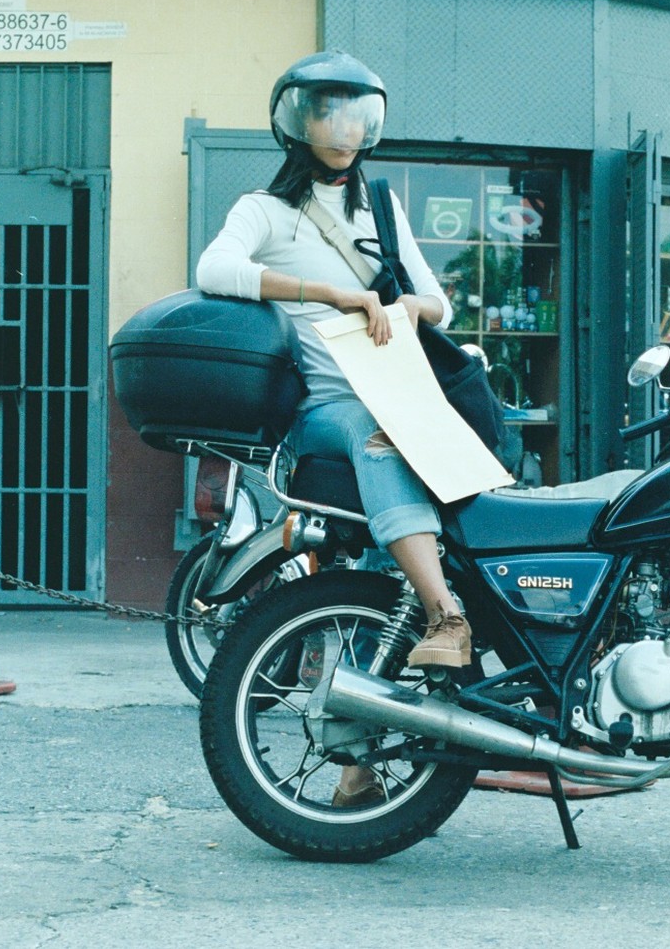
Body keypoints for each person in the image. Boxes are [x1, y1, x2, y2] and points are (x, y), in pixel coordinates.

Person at [196, 52, 468, 803]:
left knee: (382, 598)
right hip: (326, 410)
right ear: (298, 120)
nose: (346, 126)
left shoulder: (382, 207)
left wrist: (406, 307)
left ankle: (361, 769)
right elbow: (214, 269)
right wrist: (329, 293)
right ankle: (449, 615)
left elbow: (438, 302)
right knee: (375, 439)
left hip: (402, 394)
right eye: (330, 110)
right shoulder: (264, 209)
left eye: (359, 113)